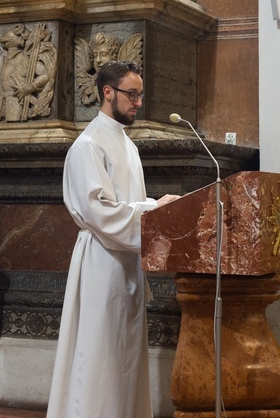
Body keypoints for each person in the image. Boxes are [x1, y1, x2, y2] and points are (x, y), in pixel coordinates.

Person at [47, 60, 180, 417]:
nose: (138, 103)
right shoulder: (88, 145)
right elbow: (99, 211)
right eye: (131, 95)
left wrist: (154, 212)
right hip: (102, 263)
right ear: (108, 92)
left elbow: (124, 203)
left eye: (140, 95)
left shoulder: (127, 145)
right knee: (99, 357)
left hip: (127, 265)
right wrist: (153, 211)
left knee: (123, 358)